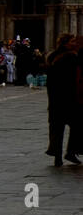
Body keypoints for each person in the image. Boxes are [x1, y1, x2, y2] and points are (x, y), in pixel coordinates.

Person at [45, 35, 82, 167]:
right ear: (65, 43)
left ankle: (57, 157)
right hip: (69, 98)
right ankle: (71, 152)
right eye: (72, 41)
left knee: (56, 128)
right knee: (77, 125)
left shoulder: (51, 57)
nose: (74, 43)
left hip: (55, 98)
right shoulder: (72, 57)